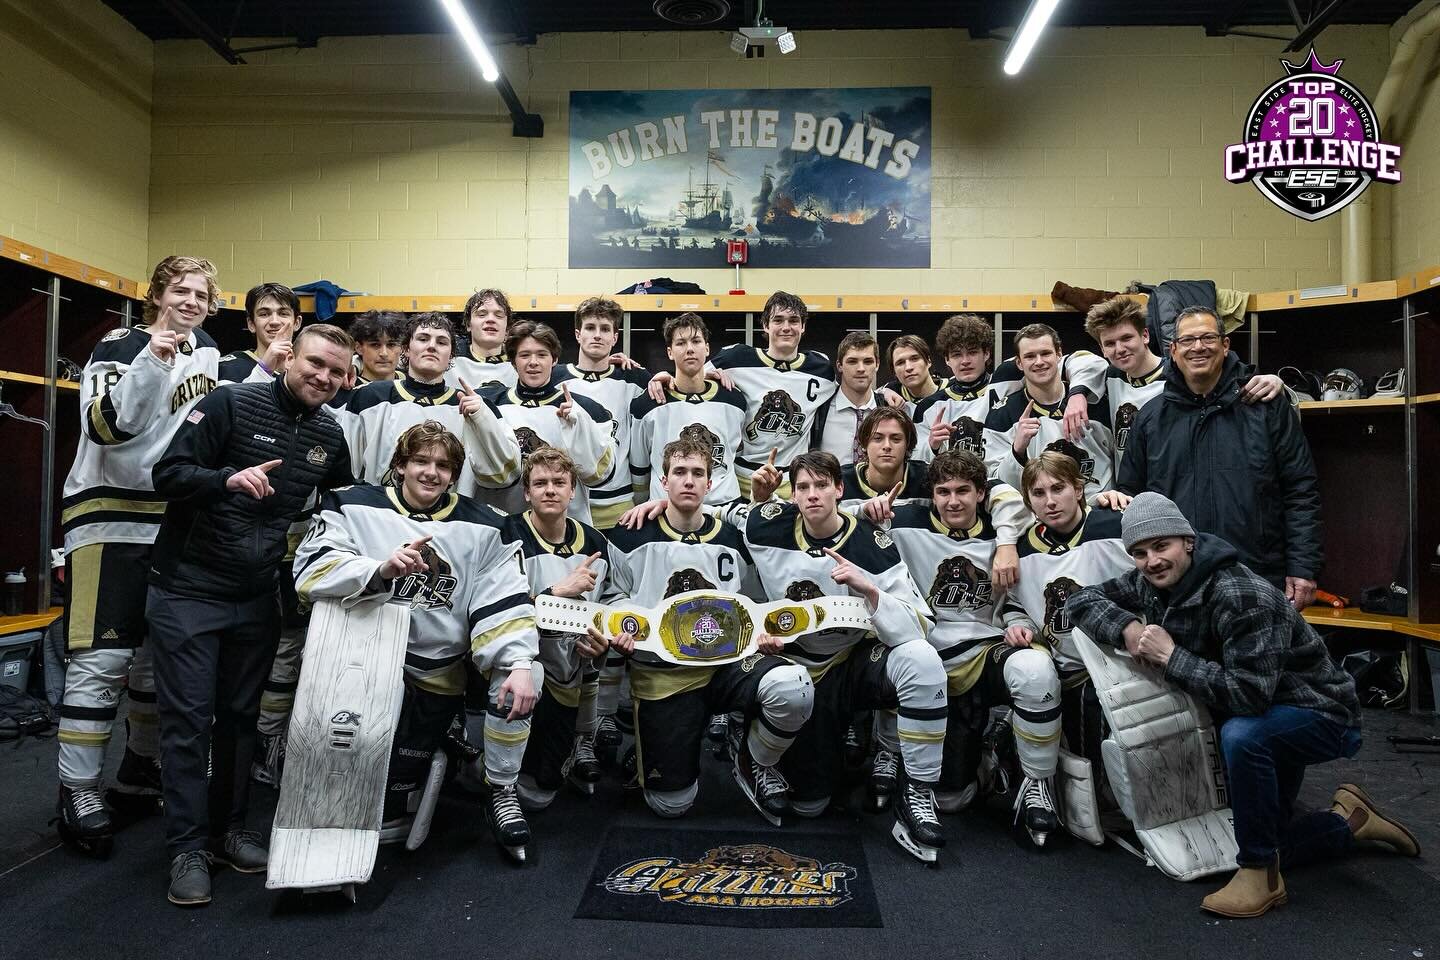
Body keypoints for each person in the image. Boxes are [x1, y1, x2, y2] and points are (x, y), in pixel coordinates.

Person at [1066, 492, 1418, 918]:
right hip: (1264, 712)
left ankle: (1260, 876)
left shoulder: (1239, 593)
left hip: (1320, 713)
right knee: (1268, 837)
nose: (1151, 561)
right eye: (1139, 553)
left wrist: (1170, 656)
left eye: (1162, 547)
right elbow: (1079, 599)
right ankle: (1350, 821)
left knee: (1243, 738)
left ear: (1188, 542)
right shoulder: (1149, 582)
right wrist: (1127, 627)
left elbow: (1249, 697)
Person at [144, 323, 355, 906]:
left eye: (336, 372)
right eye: (316, 364)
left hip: (257, 594)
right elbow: (167, 475)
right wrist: (225, 480)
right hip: (187, 589)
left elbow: (343, 505)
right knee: (188, 721)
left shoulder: (329, 433)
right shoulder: (230, 402)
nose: (324, 378)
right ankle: (186, 848)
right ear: (291, 358)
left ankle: (227, 833)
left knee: (240, 719)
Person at [293, 421, 542, 865]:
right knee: (359, 782)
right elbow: (310, 571)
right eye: (421, 461)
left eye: (444, 466)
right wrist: (380, 570)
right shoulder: (350, 504)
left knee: (525, 667)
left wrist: (520, 661)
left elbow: (503, 598)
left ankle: (498, 784)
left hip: (436, 671)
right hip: (362, 662)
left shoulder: (487, 526)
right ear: (400, 465)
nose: (432, 473)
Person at [55, 255, 222, 860]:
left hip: (173, 521)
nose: (192, 300)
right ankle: (76, 787)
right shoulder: (119, 345)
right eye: (181, 289)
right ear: (156, 295)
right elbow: (107, 427)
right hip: (109, 516)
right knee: (103, 657)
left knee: (155, 661)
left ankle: (137, 770)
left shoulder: (207, 351)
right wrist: (154, 358)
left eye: (203, 293)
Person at [743, 451, 948, 861]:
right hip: (788, 661)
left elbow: (918, 627)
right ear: (792, 493)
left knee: (923, 662)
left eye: (822, 485)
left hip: (848, 659)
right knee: (810, 805)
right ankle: (752, 754)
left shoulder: (871, 542)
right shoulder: (764, 522)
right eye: (803, 487)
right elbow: (709, 516)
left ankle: (919, 793)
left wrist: (870, 592)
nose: (812, 495)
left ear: (840, 489)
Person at [600, 438, 814, 824]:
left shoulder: (735, 538)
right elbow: (613, 593)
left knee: (793, 685)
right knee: (670, 805)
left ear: (710, 483)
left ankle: (752, 757)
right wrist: (624, 621)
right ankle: (662, 746)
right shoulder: (629, 534)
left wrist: (765, 633)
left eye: (698, 473)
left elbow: (754, 602)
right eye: (679, 473)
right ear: (663, 482)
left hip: (727, 666)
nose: (688, 481)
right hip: (665, 675)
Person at [884, 451, 1062, 844]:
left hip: (987, 646)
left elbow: (1022, 597)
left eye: (964, 491)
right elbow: (833, 511)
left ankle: (1036, 785)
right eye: (943, 492)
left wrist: (1018, 622)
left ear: (982, 493)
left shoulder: (1009, 534)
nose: (952, 501)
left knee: (1035, 671)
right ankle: (929, 768)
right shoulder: (905, 521)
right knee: (951, 798)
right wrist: (869, 506)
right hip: (928, 652)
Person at [1116, 306, 1321, 608]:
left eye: (1208, 337)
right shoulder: (1150, 418)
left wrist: (1303, 567)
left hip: (1256, 573)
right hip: (1178, 583)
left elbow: (1300, 490)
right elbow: (1130, 495)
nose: (1198, 347)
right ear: (1173, 351)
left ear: (1225, 346)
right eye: (1187, 340)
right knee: (1178, 657)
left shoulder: (1265, 407)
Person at [998, 451, 1131, 820]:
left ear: (1079, 488)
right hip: (1067, 672)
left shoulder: (1114, 525)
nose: (1050, 501)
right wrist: (1016, 624)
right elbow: (1014, 604)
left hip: (1124, 667)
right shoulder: (1021, 549)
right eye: (1038, 494)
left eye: (1059, 488)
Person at [507, 447, 613, 807]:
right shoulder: (506, 535)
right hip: (517, 666)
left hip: (570, 669)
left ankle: (582, 739)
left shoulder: (596, 542)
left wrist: (605, 641)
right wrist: (555, 593)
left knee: (543, 791)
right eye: (540, 483)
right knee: (525, 786)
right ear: (526, 492)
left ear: (572, 492)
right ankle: (492, 774)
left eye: (559, 482)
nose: (549, 490)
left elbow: (608, 608)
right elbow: (495, 614)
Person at [653, 291, 835, 499]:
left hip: (793, 480)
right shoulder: (735, 358)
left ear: (803, 327)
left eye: (794, 320)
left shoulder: (821, 369)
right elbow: (691, 372)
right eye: (778, 320)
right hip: (743, 480)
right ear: (766, 326)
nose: (786, 327)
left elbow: (852, 390)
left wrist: (881, 392)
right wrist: (665, 378)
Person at [1082, 297, 1287, 472]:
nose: (1120, 349)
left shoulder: (1181, 374)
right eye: (1110, 343)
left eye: (1126, 338)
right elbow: (1067, 361)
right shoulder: (1110, 377)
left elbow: (1230, 373)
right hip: (1132, 489)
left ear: (1145, 335)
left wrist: (1276, 381)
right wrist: (1077, 394)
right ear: (1102, 349)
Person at [344, 312, 518, 500]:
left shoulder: (475, 406)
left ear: (451, 355)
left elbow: (506, 476)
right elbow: (344, 473)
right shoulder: (369, 397)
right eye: (423, 339)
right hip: (383, 519)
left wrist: (483, 419)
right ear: (406, 349)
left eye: (442, 342)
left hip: (448, 524)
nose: (432, 346)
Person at [467, 320, 618, 524]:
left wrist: (581, 426)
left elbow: (602, 476)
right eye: (524, 355)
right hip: (501, 527)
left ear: (554, 359)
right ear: (513, 361)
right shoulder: (488, 405)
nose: (533, 362)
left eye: (541, 354)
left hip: (564, 529)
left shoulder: (588, 409)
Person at [984, 323, 1120, 507]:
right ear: (1019, 363)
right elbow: (997, 484)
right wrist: (1017, 451)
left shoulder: (1096, 402)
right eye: (1030, 356)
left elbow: (1121, 458)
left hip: (1099, 511)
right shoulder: (1003, 414)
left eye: (1045, 353)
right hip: (1042, 519)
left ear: (1058, 355)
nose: (1039, 361)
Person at [629, 312, 748, 507]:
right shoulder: (647, 404)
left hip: (724, 507)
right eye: (681, 343)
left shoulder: (734, 399)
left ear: (707, 348)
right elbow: (639, 470)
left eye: (696, 341)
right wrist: (644, 506)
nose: (690, 349)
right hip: (667, 510)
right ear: (669, 352)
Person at [555, 297, 650, 529]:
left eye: (605, 329)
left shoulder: (635, 379)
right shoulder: (555, 378)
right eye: (590, 328)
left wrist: (663, 378)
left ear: (615, 338)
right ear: (578, 334)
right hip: (564, 502)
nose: (597, 335)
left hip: (619, 502)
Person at [913, 314, 998, 460]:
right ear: (947, 359)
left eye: (972, 352)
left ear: (986, 354)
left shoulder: (1005, 393)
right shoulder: (927, 407)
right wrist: (932, 445)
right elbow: (915, 462)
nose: (965, 361)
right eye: (957, 354)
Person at [810, 332, 899, 463]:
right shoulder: (819, 408)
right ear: (839, 365)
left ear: (877, 364)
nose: (861, 368)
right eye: (852, 361)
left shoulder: (890, 407)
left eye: (868, 361)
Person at [839, 407, 930, 512]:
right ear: (864, 444)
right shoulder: (840, 480)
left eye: (896, 439)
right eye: (878, 438)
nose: (887, 446)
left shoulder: (927, 479)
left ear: (908, 445)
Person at [217, 283, 301, 385]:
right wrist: (264, 370)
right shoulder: (228, 368)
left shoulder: (309, 369)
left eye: (283, 314)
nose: (274, 321)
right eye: (264, 314)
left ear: (297, 323)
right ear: (251, 324)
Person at [448, 288, 518, 392]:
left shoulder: (521, 362)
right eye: (482, 314)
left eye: (498, 315)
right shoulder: (448, 361)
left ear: (507, 327)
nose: (491, 319)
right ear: (468, 324)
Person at [881, 334, 943, 415]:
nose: (908, 367)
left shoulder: (952, 391)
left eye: (914, 359)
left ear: (928, 361)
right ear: (894, 371)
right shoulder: (892, 393)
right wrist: (884, 392)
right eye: (900, 363)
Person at [347, 308, 406, 386]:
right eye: (375, 345)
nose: (384, 353)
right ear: (358, 348)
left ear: (402, 348)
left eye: (391, 345)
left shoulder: (412, 383)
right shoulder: (347, 386)